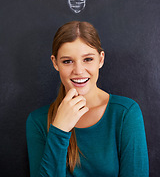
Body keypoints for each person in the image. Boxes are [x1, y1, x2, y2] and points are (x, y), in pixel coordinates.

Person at [26, 21, 149, 177]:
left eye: (88, 59)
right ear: (55, 63)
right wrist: (59, 130)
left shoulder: (125, 113)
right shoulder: (37, 121)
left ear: (101, 59)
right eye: (67, 61)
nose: (78, 70)